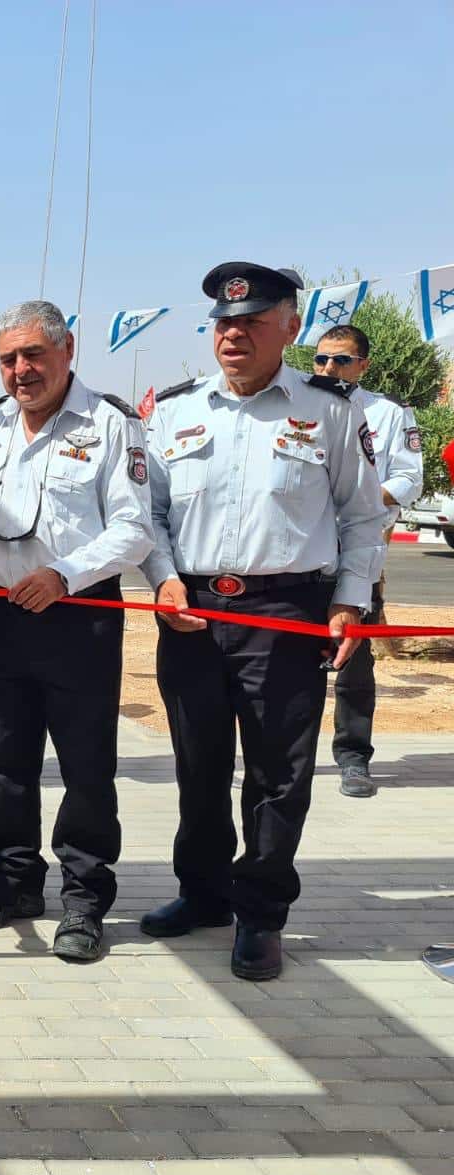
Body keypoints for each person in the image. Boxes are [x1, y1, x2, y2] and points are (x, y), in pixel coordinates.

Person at [139, 263, 386, 981]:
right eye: (223, 323)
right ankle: (203, 893)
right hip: (190, 609)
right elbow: (148, 514)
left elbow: (363, 516)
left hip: (284, 609)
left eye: (251, 322)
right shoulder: (175, 410)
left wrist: (349, 601)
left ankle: (261, 914)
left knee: (278, 772)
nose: (233, 335)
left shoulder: (330, 410)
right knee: (198, 764)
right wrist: (162, 580)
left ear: (290, 327)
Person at [0, 300, 154, 963]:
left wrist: (64, 575)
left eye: (33, 355)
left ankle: (84, 899)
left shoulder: (110, 425)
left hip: (79, 616)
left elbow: (134, 528)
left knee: (86, 767)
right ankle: (14, 881)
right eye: (8, 359)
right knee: (4, 764)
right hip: (2, 616)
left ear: (67, 349)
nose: (21, 370)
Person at [308, 325, 423, 798]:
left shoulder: (389, 413)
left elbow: (410, 478)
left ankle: (354, 758)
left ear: (363, 365)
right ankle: (287, 757)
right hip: (304, 553)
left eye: (341, 360)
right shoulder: (299, 404)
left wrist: (361, 499)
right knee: (291, 660)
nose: (328, 368)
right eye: (321, 359)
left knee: (354, 663)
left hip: (359, 551)